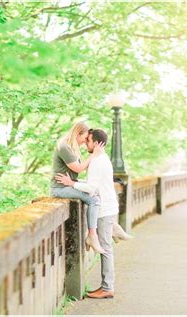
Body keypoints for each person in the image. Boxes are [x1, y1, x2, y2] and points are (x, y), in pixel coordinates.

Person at [56, 128, 132, 299]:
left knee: (105, 249)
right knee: (106, 245)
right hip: (109, 206)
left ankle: (107, 288)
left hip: (104, 209)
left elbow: (92, 188)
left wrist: (71, 184)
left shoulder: (97, 161)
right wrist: (75, 182)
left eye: (88, 140)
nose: (86, 144)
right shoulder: (102, 159)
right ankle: (114, 228)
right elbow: (93, 183)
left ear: (97, 143)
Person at [50, 121, 106, 254]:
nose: (85, 141)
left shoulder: (71, 147)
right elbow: (79, 168)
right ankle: (92, 236)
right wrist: (94, 155)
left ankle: (110, 227)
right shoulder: (64, 147)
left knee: (97, 192)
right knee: (93, 200)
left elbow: (76, 174)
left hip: (68, 184)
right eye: (85, 138)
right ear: (77, 134)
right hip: (60, 189)